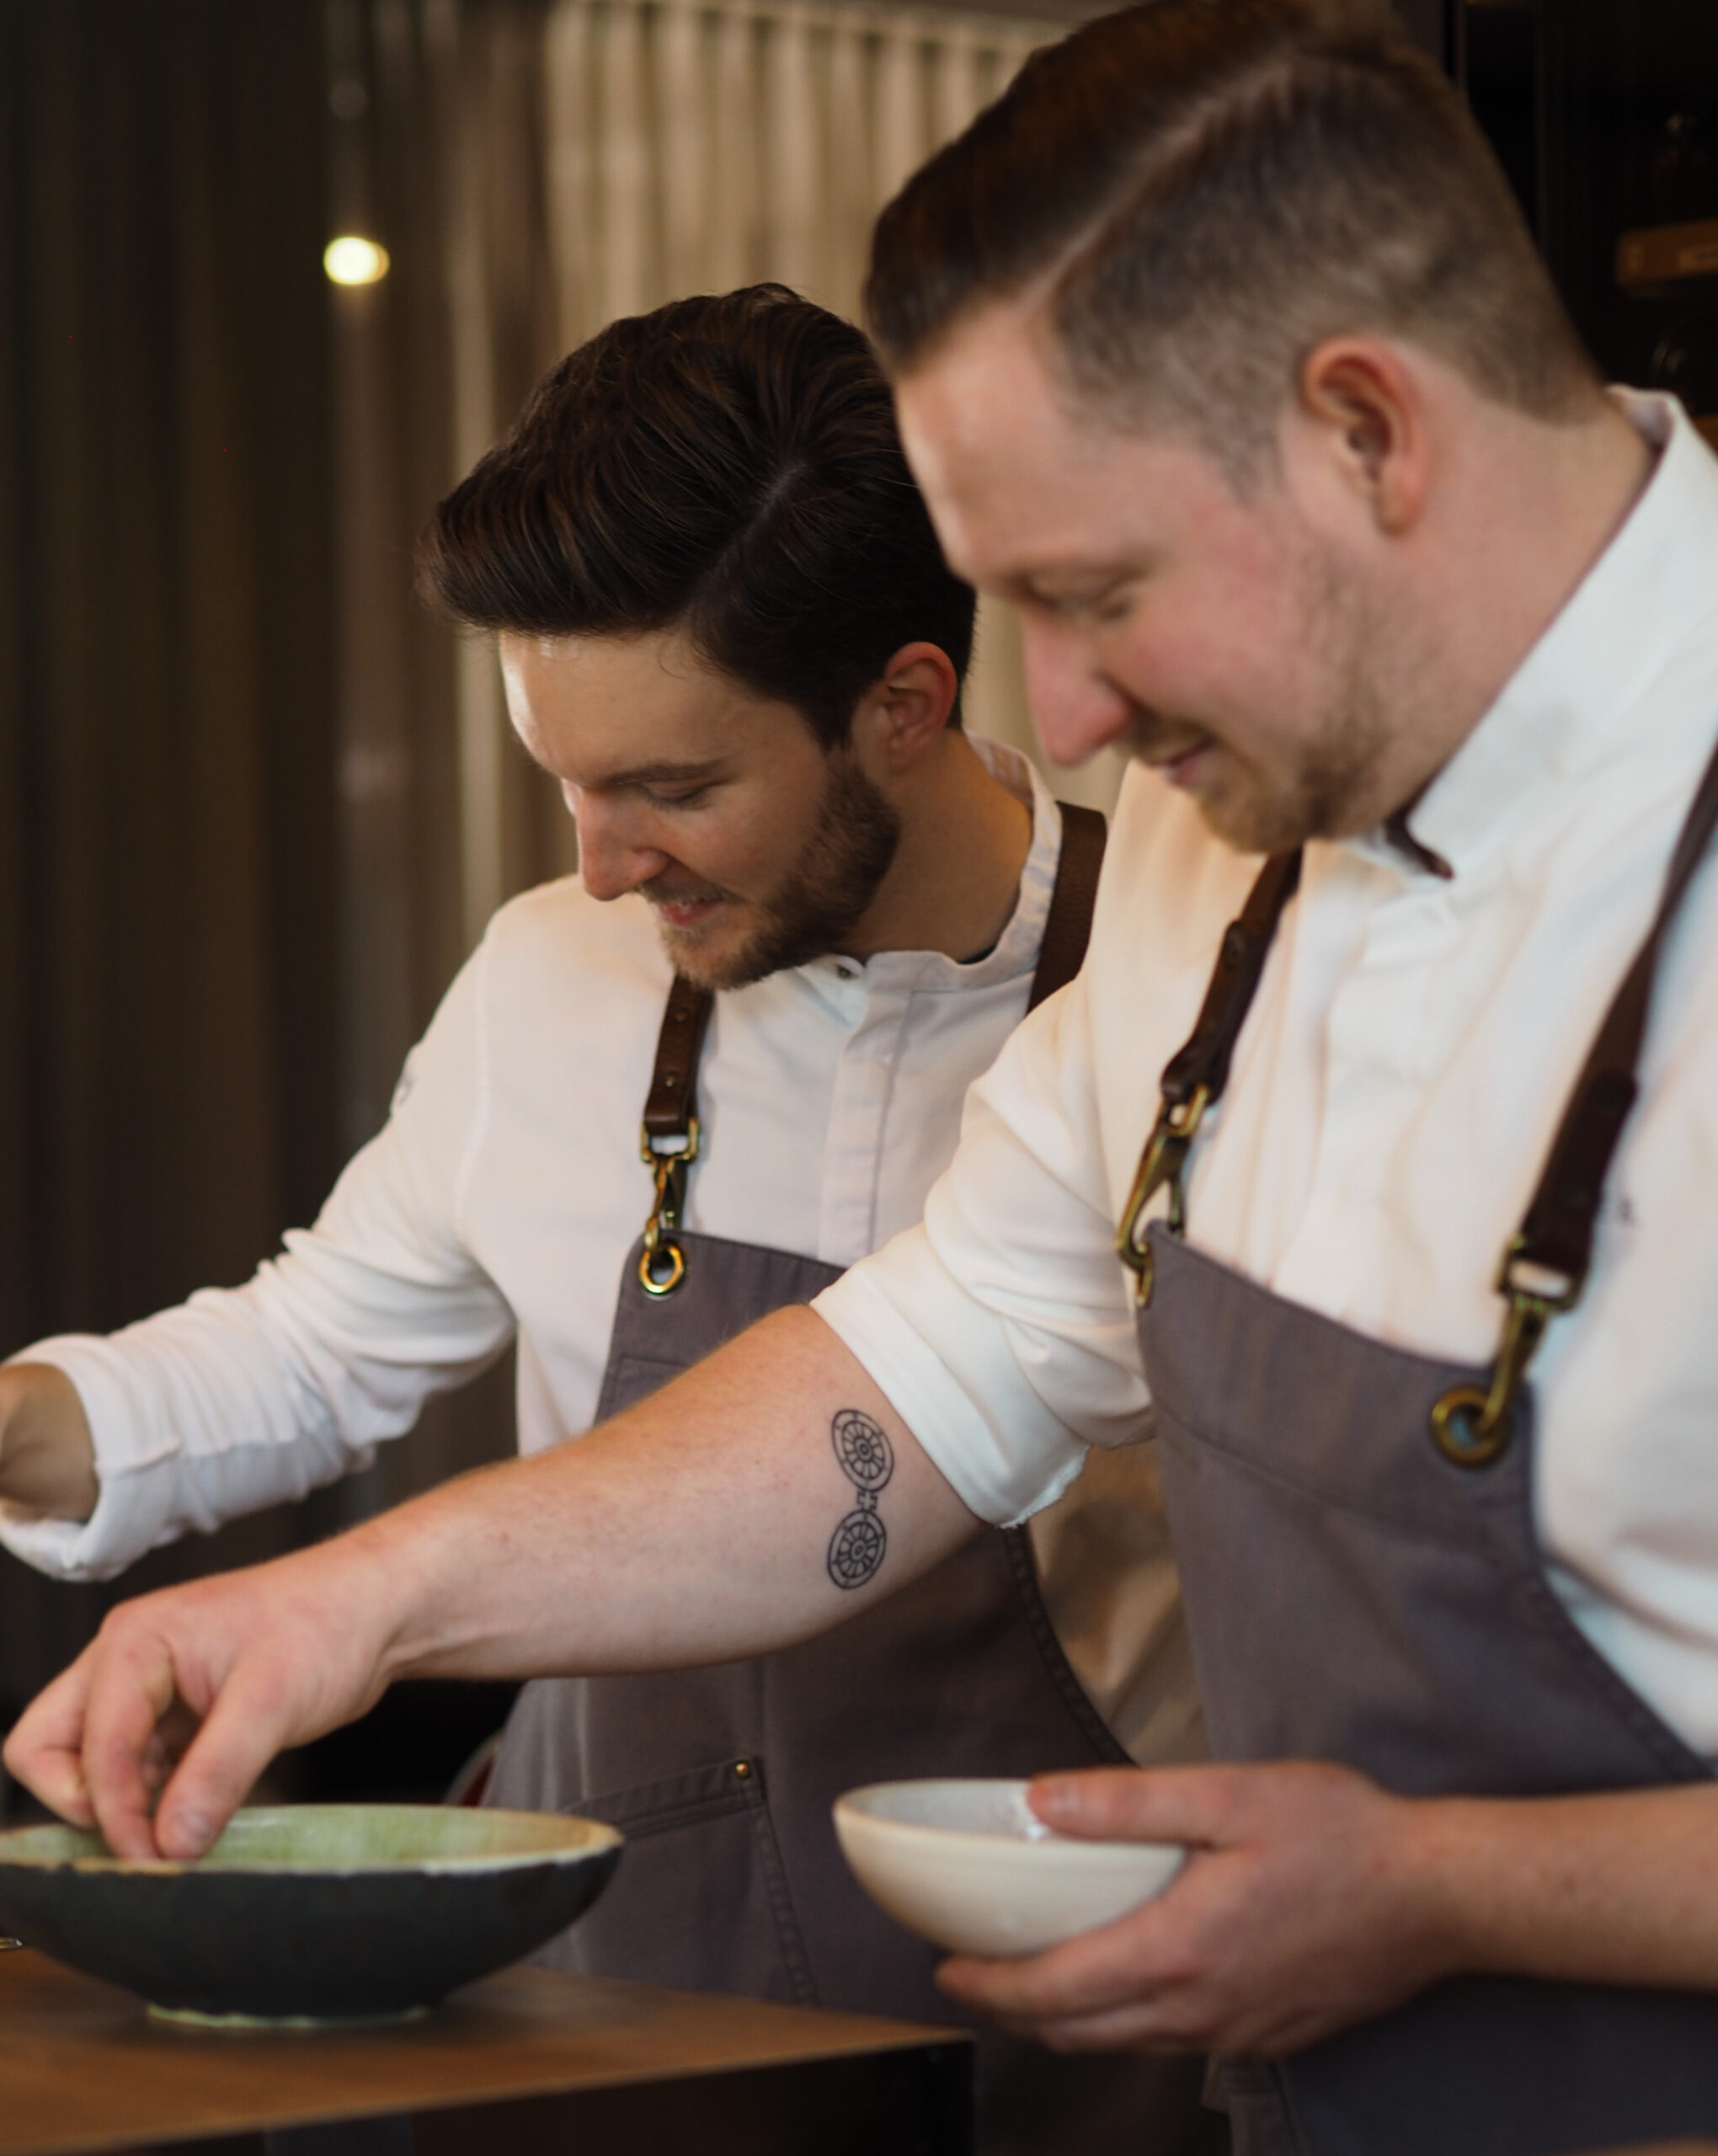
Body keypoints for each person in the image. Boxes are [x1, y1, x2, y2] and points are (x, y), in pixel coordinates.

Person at [13, 3, 1718, 2149]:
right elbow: (931, 1364)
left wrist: (1441, 1887)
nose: (1069, 718)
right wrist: (358, 1595)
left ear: (1367, 428)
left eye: (1098, 593)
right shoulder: (1232, 845)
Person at [0, 288, 1211, 2155]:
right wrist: (22, 1421)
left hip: (1068, 2033)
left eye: (672, 787)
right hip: (611, 2020)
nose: (596, 861)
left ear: (904, 702)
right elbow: (316, 1342)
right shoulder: (553, 979)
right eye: (563, 777)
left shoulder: (1173, 993)